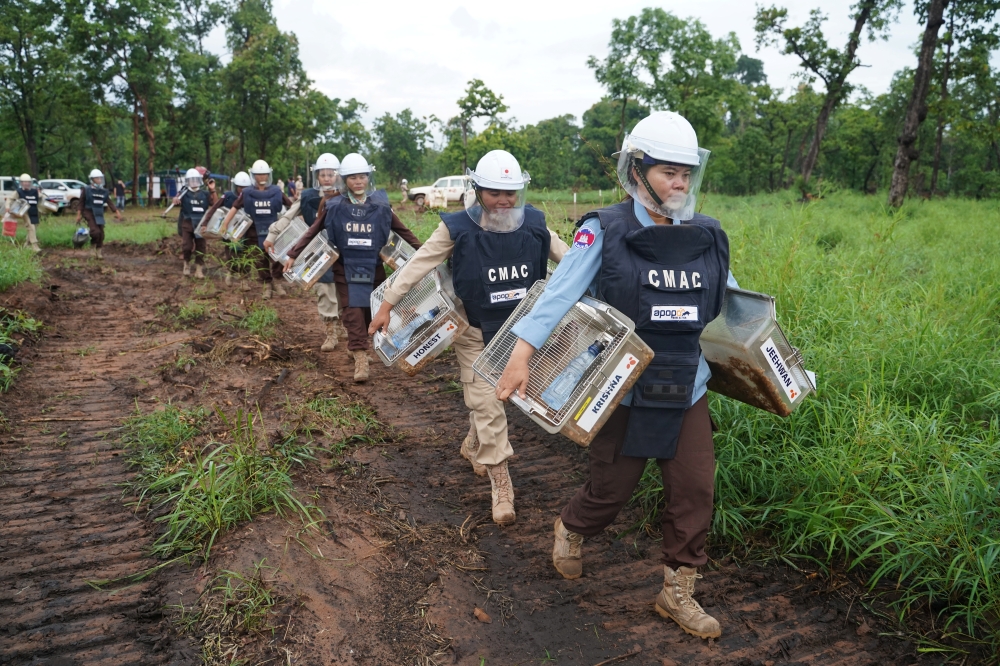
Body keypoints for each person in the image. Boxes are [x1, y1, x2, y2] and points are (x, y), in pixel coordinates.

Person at [495, 112, 737, 640]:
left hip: (687, 383)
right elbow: (558, 294)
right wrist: (521, 353)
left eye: (686, 173)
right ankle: (572, 527)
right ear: (637, 169)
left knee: (695, 489)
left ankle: (677, 593)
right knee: (611, 490)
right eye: (669, 171)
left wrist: (772, 358)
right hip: (621, 386)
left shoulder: (705, 236)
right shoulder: (604, 230)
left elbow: (735, 306)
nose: (679, 183)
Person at [370, 150, 569, 525]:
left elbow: (573, 262)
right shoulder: (457, 228)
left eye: (510, 193)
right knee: (486, 401)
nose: (504, 201)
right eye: (495, 192)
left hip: (520, 335)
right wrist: (388, 304)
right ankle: (500, 482)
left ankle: (475, 444)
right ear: (478, 190)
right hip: (475, 331)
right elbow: (420, 263)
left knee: (500, 401)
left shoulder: (536, 225)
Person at [285, 153, 421, 382]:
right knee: (352, 311)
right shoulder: (334, 206)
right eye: (353, 177)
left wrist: (425, 253)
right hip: (345, 269)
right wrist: (293, 254)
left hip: (373, 267)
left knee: (370, 312)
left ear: (368, 178)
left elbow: (403, 231)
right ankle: (360, 357)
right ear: (344, 180)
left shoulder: (380, 205)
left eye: (362, 177)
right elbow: (314, 230)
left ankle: (356, 345)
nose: (358, 181)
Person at [264, 154, 345, 351]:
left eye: (330, 174)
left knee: (343, 291)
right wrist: (272, 235)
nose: (326, 178)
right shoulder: (308, 196)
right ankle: (330, 332)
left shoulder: (346, 195)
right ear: (317, 175)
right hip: (317, 251)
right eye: (322, 174)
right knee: (325, 290)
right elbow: (288, 216)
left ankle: (342, 326)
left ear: (338, 175)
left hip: (343, 250)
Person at [219, 160, 294, 300]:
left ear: (269, 175)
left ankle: (277, 281)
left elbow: (293, 207)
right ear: (253, 176)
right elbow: (235, 207)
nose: (262, 178)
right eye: (259, 175)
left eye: (264, 174)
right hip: (254, 232)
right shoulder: (247, 193)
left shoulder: (277, 191)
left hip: (274, 231)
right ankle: (267, 285)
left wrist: (301, 222)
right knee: (260, 260)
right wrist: (225, 224)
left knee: (277, 258)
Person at [202, 171, 253, 287]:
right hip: (229, 231)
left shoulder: (251, 197)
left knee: (245, 256)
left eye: (245, 187)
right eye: (240, 187)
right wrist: (205, 222)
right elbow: (215, 207)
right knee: (231, 255)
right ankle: (231, 272)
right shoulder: (228, 196)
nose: (242, 189)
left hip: (246, 232)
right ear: (235, 186)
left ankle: (244, 281)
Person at [75, 169, 122, 260]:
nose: (99, 180)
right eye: (97, 178)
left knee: (101, 234)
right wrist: (79, 215)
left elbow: (109, 202)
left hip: (99, 213)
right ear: (92, 179)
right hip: (88, 212)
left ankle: (99, 250)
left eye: (100, 178)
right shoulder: (86, 189)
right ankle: (92, 248)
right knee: (95, 231)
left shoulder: (104, 191)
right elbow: (81, 202)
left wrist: (117, 211)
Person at [174, 168, 211, 278]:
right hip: (187, 223)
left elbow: (214, 202)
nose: (194, 182)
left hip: (201, 224)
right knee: (187, 246)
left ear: (199, 180)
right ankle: (186, 264)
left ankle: (199, 269)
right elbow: (176, 198)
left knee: (201, 247)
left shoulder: (205, 193)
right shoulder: (184, 192)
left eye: (196, 179)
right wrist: (176, 199)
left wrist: (212, 190)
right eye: (191, 180)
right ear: (187, 181)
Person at [11, 174, 41, 253]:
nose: (26, 183)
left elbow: (40, 198)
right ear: (21, 183)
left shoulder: (35, 191)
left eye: (28, 182)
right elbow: (10, 199)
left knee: (33, 228)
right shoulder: (18, 191)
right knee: (31, 227)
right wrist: (8, 207)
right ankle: (34, 246)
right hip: (24, 212)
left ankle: (26, 244)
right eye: (24, 182)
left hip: (34, 211)